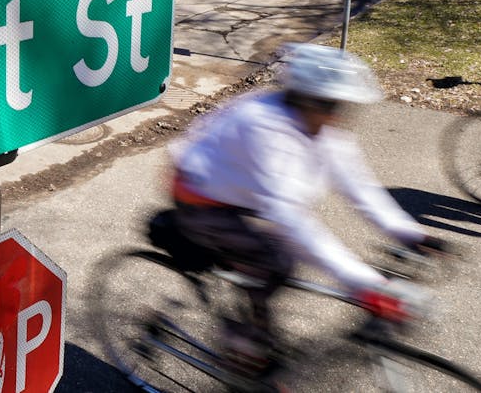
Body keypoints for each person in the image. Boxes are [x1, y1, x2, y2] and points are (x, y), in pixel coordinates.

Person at [167, 43, 446, 378]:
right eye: (331, 105)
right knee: (274, 260)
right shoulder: (265, 126)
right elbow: (289, 218)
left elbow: (359, 185)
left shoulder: (320, 125)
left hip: (240, 194)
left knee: (275, 259)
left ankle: (253, 335)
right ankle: (244, 347)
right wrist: (366, 284)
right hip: (200, 197)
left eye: (342, 106)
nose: (338, 115)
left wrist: (411, 233)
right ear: (304, 99)